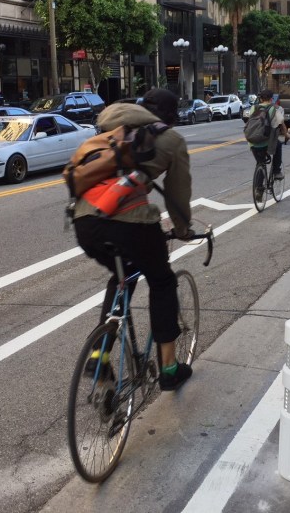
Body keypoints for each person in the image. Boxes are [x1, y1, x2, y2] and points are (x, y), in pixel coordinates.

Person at [70, 88, 195, 391]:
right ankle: (168, 368)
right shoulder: (172, 139)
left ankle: (99, 356)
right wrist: (182, 229)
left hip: (85, 221)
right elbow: (178, 192)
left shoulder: (110, 132)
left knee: (121, 276)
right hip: (131, 223)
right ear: (172, 115)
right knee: (162, 282)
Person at [246, 88, 290, 179]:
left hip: (252, 142)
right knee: (278, 145)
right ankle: (277, 171)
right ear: (271, 99)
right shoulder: (275, 109)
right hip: (267, 143)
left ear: (261, 99)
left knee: (260, 163)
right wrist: (286, 135)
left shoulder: (253, 108)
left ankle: (258, 190)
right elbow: (281, 124)